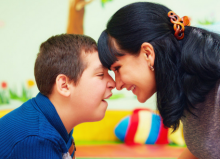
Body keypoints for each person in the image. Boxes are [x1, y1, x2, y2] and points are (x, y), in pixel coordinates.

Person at [97, 2, 220, 159]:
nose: (118, 84)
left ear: (148, 53)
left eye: (118, 69)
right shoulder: (187, 85)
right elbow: (203, 149)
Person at [0, 34, 115, 159]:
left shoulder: (53, 124)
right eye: (100, 74)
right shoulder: (37, 140)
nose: (113, 83)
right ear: (64, 85)